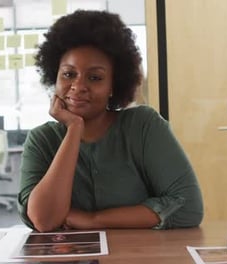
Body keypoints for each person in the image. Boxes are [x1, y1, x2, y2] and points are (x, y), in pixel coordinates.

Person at [17, 10, 203, 232]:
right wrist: (74, 128)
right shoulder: (42, 139)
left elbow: (188, 207)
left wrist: (92, 220)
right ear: (54, 76)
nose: (78, 86)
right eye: (68, 74)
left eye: (95, 77)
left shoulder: (143, 126)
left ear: (113, 86)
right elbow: (44, 220)